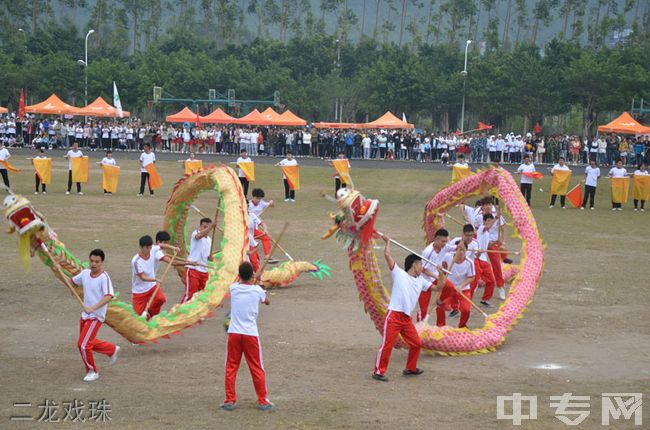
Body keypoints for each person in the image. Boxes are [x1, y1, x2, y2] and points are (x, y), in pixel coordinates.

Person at [372, 234, 429, 382]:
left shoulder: (420, 281)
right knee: (387, 345)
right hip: (394, 316)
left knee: (417, 343)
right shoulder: (399, 273)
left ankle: (410, 368)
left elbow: (439, 287)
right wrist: (388, 242)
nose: (422, 267)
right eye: (420, 264)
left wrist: (441, 272)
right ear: (414, 264)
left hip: (406, 319)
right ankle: (379, 371)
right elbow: (387, 255)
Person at [222, 262, 273, 411]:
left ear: (239, 275)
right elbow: (267, 302)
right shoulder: (258, 291)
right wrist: (256, 282)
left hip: (234, 334)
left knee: (231, 367)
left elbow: (238, 283)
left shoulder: (234, 288)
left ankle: (230, 400)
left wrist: (251, 279)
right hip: (250, 334)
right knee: (256, 367)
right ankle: (262, 400)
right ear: (252, 275)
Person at [71, 249, 119, 382]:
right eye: (91, 261)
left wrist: (92, 308)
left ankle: (92, 371)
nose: (93, 264)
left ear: (102, 262)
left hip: (96, 316)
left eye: (97, 262)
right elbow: (73, 281)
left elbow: (109, 296)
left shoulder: (104, 277)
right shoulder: (85, 274)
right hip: (85, 315)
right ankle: (111, 349)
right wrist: (71, 286)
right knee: (87, 341)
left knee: (83, 345)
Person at [417, 228, 453, 322]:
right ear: (436, 239)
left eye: (446, 241)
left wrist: (464, 243)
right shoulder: (428, 252)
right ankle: (419, 328)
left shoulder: (445, 246)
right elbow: (422, 269)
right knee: (423, 309)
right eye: (442, 241)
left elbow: (456, 247)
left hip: (436, 276)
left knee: (450, 287)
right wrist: (436, 276)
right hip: (425, 281)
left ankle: (440, 301)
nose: (444, 244)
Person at [438, 244, 475, 328]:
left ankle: (462, 326)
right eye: (459, 249)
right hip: (449, 289)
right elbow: (441, 266)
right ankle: (440, 326)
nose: (461, 252)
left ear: (466, 251)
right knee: (439, 306)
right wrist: (440, 269)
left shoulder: (469, 262)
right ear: (456, 250)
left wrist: (461, 286)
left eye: (463, 250)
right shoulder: (448, 257)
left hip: (463, 289)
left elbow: (472, 277)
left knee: (466, 310)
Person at [131, 235, 166, 319]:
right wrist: (155, 279)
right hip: (139, 291)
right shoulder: (136, 261)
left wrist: (173, 248)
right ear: (141, 247)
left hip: (152, 287)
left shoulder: (152, 249)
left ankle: (150, 314)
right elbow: (142, 277)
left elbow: (161, 245)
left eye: (150, 248)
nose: (149, 250)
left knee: (161, 299)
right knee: (139, 318)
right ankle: (146, 317)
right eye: (146, 248)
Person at [182, 218, 214, 303]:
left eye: (207, 227)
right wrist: (210, 227)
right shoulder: (195, 233)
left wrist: (210, 258)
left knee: (201, 297)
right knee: (190, 295)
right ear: (200, 226)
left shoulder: (210, 240)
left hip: (204, 271)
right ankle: (182, 313)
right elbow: (199, 236)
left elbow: (206, 256)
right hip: (193, 268)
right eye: (204, 226)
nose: (206, 229)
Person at [248, 188, 278, 264]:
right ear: (253, 197)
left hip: (254, 228)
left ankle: (267, 257)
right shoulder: (248, 205)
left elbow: (272, 205)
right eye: (257, 198)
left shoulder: (261, 203)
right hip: (247, 229)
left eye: (260, 198)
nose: (258, 200)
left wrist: (271, 203)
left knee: (266, 237)